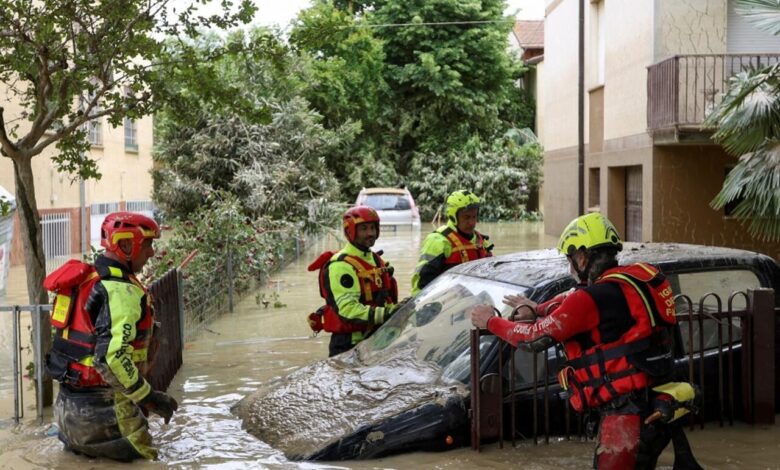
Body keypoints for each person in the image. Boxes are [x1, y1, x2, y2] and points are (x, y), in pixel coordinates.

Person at [470, 212, 702, 470]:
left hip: (626, 415)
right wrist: (539, 308)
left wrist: (491, 321)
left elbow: (534, 339)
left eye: (570, 260)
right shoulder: (630, 282)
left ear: (582, 257)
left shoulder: (593, 298)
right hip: (656, 404)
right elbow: (575, 302)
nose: (570, 268)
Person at [44, 212, 178, 461]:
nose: (151, 252)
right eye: (148, 244)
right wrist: (149, 397)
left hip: (66, 416)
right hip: (106, 416)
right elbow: (111, 358)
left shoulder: (86, 281)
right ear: (126, 244)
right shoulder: (120, 290)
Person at [308, 206, 399, 357]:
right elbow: (348, 310)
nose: (370, 233)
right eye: (364, 229)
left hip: (376, 340)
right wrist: (387, 314)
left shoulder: (376, 260)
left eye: (372, 228)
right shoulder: (340, 265)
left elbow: (387, 301)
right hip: (348, 345)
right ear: (351, 231)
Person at [411, 190, 493, 295]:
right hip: (446, 302)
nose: (472, 222)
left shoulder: (481, 241)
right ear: (453, 217)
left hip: (473, 300)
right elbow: (421, 282)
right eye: (466, 217)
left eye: (474, 216)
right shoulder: (438, 241)